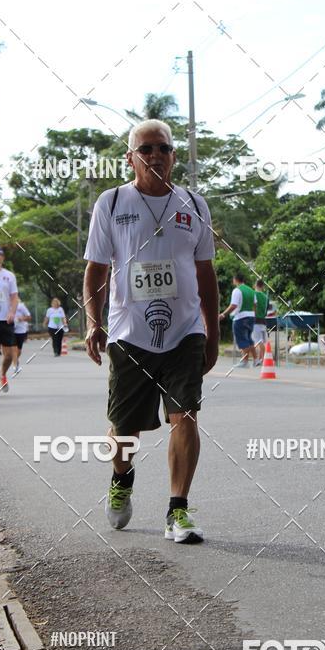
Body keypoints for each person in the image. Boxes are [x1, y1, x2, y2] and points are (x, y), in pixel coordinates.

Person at [84, 119, 218, 544]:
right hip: (129, 333)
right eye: (146, 149)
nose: (155, 155)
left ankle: (178, 511)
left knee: (185, 415)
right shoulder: (112, 202)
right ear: (130, 157)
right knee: (125, 430)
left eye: (163, 148)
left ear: (174, 155)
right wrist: (94, 322)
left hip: (184, 331)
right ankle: (122, 478)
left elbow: (206, 273)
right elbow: (96, 270)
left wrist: (212, 333)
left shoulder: (194, 204)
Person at [0, 246, 19, 396]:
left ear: (2, 257)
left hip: (5, 319)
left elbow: (14, 297)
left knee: (8, 355)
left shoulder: (9, 276)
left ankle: (2, 374)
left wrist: (12, 312)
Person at [219, 273, 257, 367]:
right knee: (249, 339)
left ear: (235, 280)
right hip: (251, 317)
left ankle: (245, 362)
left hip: (240, 317)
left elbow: (233, 305)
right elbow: (255, 304)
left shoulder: (237, 290)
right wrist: (253, 314)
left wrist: (223, 314)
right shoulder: (251, 290)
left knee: (242, 339)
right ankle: (256, 359)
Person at [253, 279, 270, 365]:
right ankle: (261, 358)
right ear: (263, 286)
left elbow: (253, 307)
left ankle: (262, 359)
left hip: (256, 320)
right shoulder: (266, 297)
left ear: (255, 285)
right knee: (262, 340)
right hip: (263, 320)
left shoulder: (254, 294)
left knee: (258, 341)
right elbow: (267, 309)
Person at [13, 299, 32, 372]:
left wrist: (22, 318)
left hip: (20, 330)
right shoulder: (7, 305)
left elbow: (29, 317)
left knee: (19, 349)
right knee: (13, 348)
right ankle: (15, 363)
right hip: (10, 330)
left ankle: (16, 359)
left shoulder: (21, 306)